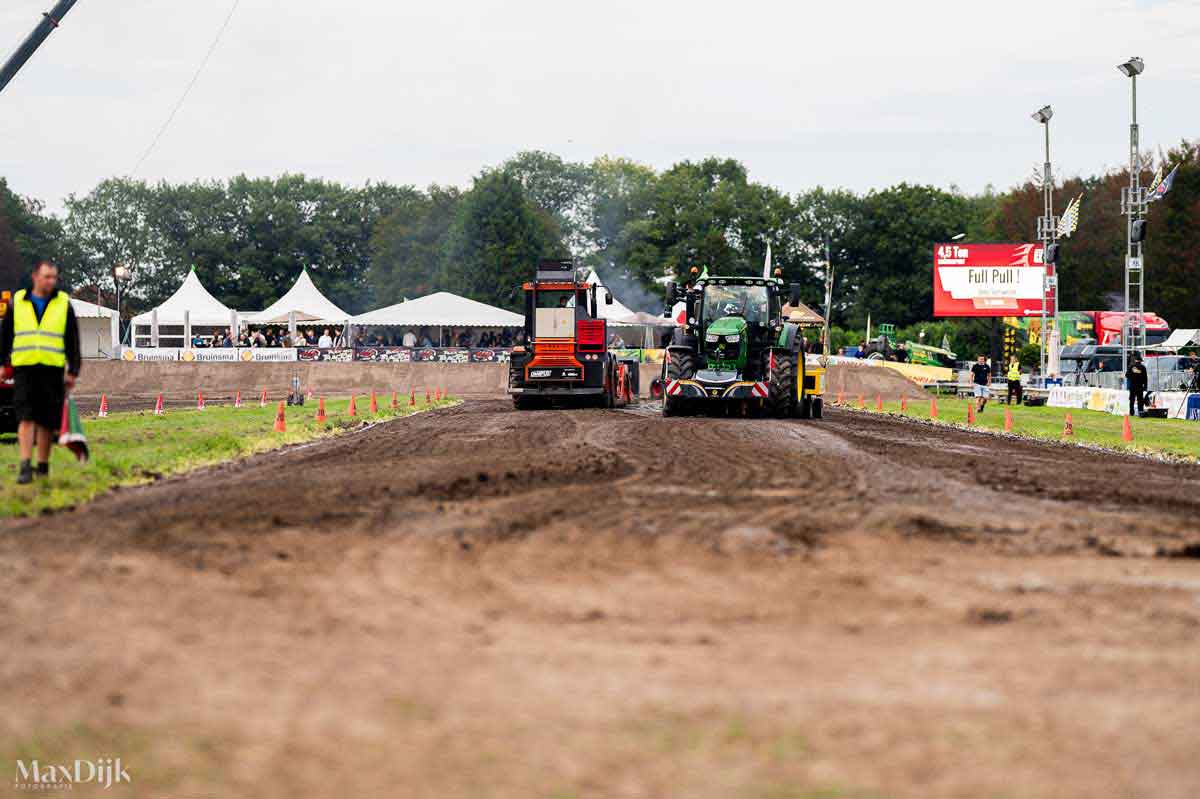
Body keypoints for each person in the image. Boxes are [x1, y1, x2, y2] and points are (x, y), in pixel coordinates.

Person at [0, 261, 82, 484]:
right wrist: (1, 364)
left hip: (52, 369)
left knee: (46, 422)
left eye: (54, 277)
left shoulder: (63, 303)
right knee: (26, 417)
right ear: (35, 276)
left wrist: (73, 369)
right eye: (47, 277)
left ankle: (43, 465)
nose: (51, 281)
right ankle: (25, 466)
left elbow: (72, 339)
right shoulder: (17, 302)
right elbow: (6, 335)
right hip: (24, 368)